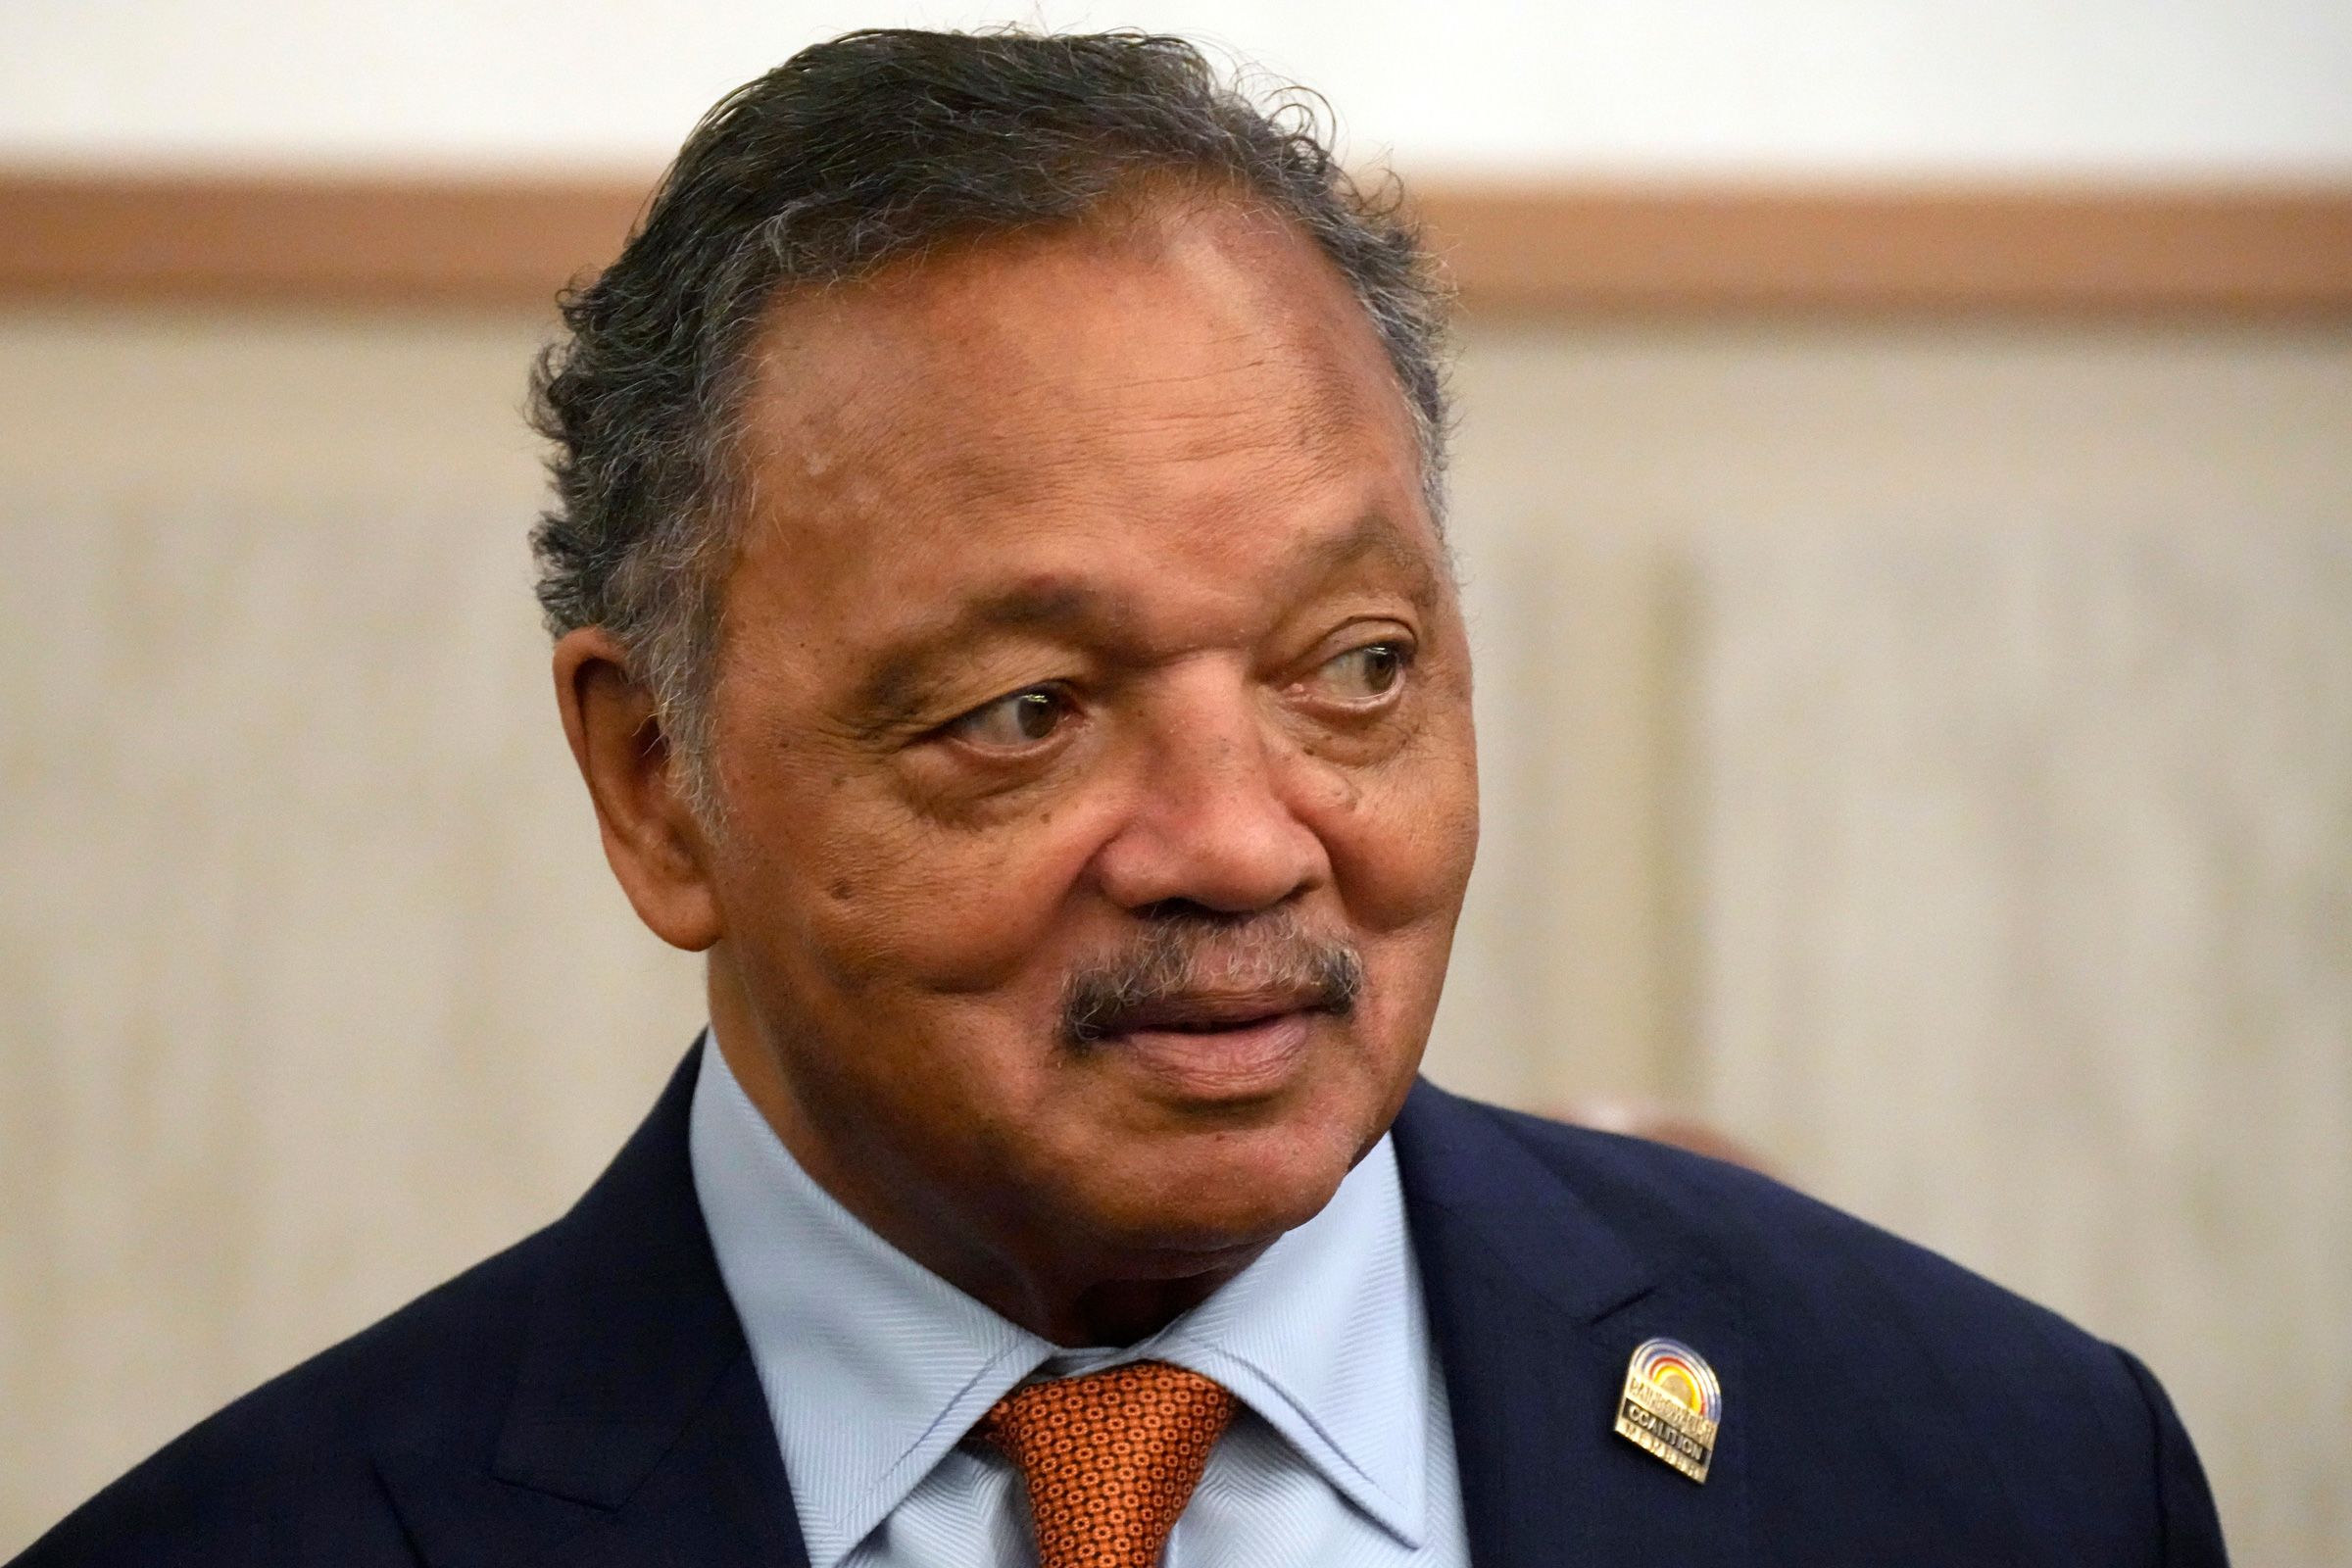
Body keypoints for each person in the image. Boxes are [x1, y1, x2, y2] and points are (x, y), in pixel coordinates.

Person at [15, 28, 2227, 1568]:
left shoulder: (2005, 1470)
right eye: (1028, 710)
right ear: (655, 779)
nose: (1245, 839)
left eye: (1354, 671)